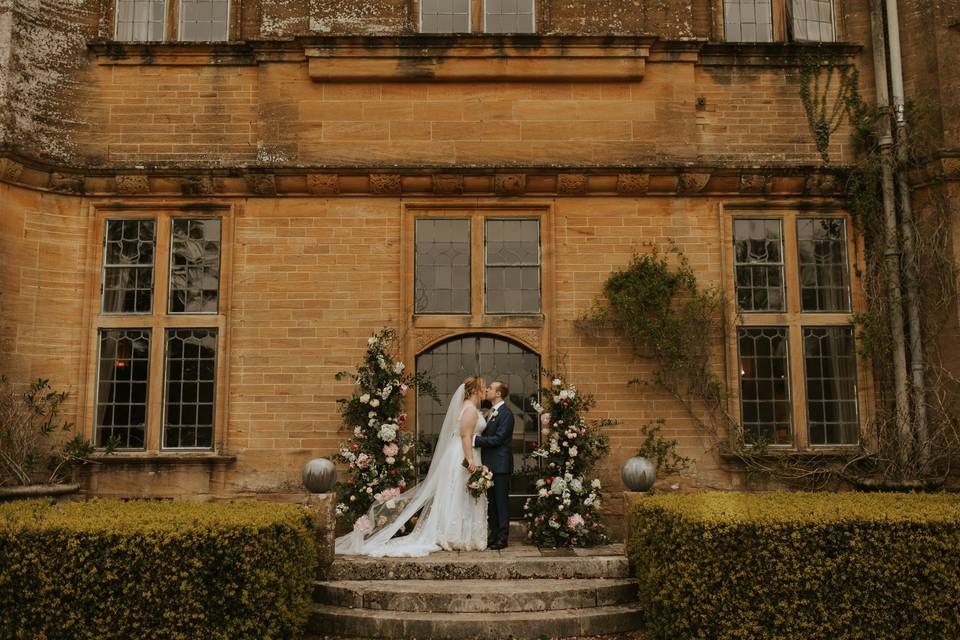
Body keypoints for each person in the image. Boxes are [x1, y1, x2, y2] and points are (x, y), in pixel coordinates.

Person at [334, 376, 488, 557]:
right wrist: (469, 460)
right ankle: (457, 535)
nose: (485, 390)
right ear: (475, 390)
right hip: (463, 454)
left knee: (458, 493)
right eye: (483, 387)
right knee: (459, 492)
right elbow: (465, 436)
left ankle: (459, 533)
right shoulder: (469, 410)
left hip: (463, 452)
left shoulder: (469, 409)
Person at [474, 379, 514, 550]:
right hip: (489, 465)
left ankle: (503, 537)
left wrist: (476, 440)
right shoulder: (490, 411)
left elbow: (499, 439)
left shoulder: (506, 414)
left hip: (501, 465)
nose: (487, 390)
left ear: (498, 393)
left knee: (501, 502)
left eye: (490, 388)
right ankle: (494, 534)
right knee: (492, 503)